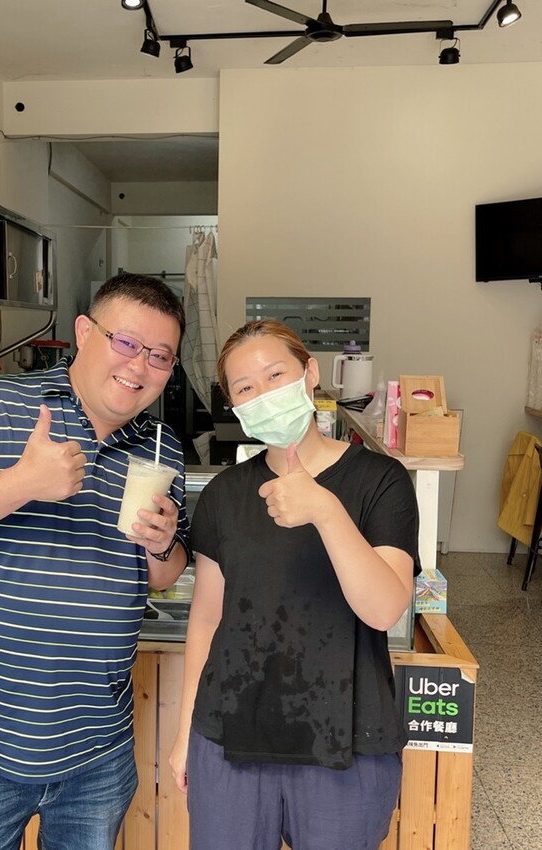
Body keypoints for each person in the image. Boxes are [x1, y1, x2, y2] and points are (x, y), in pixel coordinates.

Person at [0, 273, 190, 850]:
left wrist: (160, 542)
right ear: (85, 333)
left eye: (160, 355)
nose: (139, 365)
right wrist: (21, 483)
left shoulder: (161, 446)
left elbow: (163, 574)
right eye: (126, 342)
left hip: (97, 748)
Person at [169, 319, 420, 850]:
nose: (263, 394)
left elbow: (384, 609)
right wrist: (186, 731)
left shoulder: (381, 480)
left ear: (310, 374)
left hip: (347, 741)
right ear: (234, 406)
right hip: (229, 735)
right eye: (245, 388)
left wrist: (326, 511)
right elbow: (208, 620)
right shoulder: (224, 494)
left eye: (275, 375)